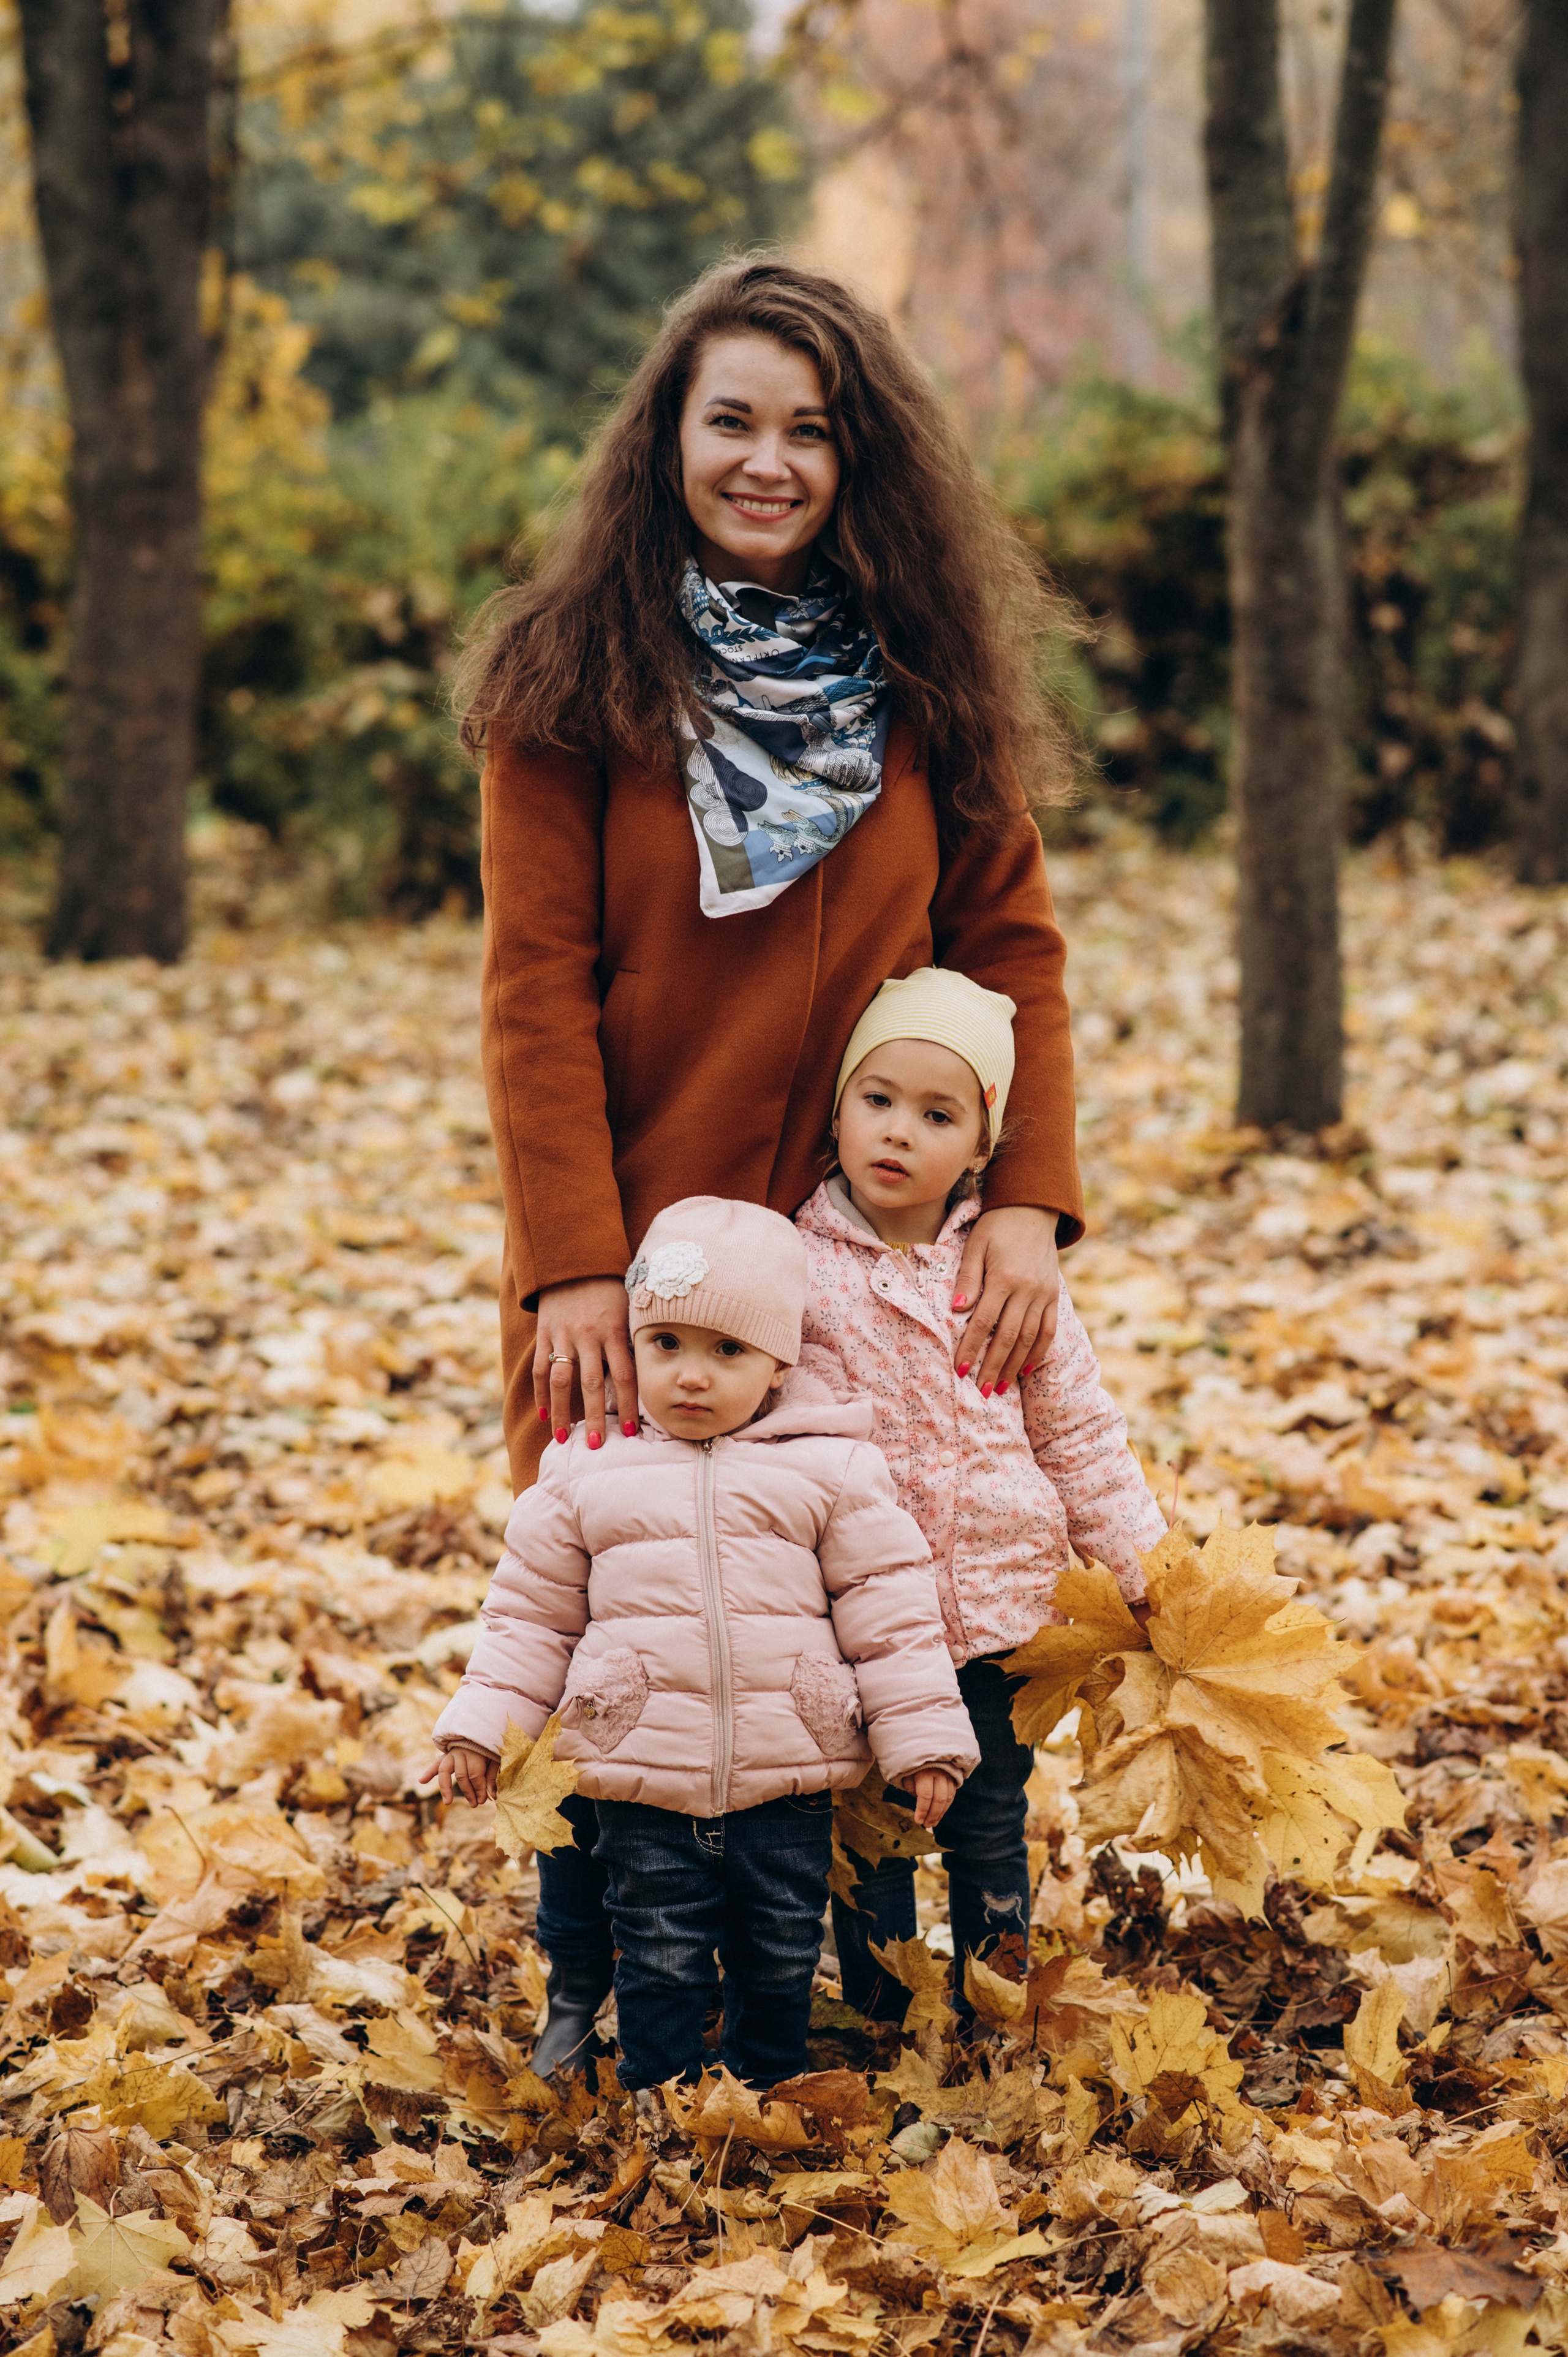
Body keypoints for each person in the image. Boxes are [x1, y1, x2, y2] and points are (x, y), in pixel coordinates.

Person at [453, 257, 1087, 2072]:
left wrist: (1027, 1199)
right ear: (668, 439)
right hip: (645, 1267)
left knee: (834, 1614)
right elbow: (532, 994)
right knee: (615, 1623)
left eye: (810, 431)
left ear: (855, 459)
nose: (767, 461)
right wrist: (573, 1258)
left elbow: (1014, 948)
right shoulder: (568, 681)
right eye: (730, 420)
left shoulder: (923, 681)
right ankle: (606, 1985)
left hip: (867, 1255)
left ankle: (807, 1973)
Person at [420, 1199, 978, 2091]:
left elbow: (891, 1613)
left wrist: (924, 1743)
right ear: (632, 1346)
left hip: (787, 1774)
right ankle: (662, 2094)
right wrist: (480, 1727)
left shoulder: (828, 1466)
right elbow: (530, 1617)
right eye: (666, 1344)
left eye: (728, 1353)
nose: (691, 1376)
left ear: (779, 1363)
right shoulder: (584, 1467)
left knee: (779, 1947)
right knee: (660, 1949)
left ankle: (765, 2088)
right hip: (637, 1768)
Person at [794, 969, 1168, 2018]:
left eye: (937, 1113)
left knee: (988, 1819)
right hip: (859, 1623)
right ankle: (882, 2006)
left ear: (983, 1147)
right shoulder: (796, 1266)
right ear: (837, 1110)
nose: (899, 1132)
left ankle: (998, 1999)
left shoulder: (1008, 1272)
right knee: (870, 1829)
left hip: (1002, 1610)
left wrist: (1148, 1571)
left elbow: (1080, 1432)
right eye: (878, 1100)